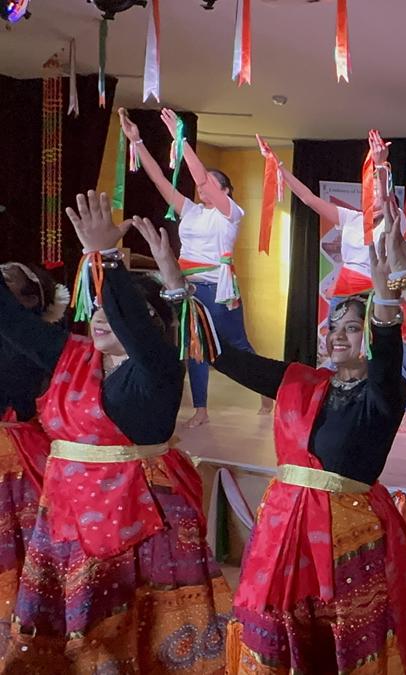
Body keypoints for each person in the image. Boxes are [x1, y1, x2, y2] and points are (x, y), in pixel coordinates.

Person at [200, 198, 406, 674]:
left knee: (344, 643)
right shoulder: (301, 383)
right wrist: (178, 295)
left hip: (349, 544)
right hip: (282, 535)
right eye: (333, 326)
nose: (338, 335)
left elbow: (386, 359)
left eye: (352, 328)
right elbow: (230, 359)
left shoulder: (383, 394)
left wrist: (386, 298)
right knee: (277, 633)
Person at [0, 191, 230, 672]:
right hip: (67, 517)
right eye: (98, 310)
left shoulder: (159, 368)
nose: (102, 317)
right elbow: (11, 320)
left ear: (152, 323)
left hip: (141, 520)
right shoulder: (72, 357)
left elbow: (133, 324)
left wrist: (105, 257)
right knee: (71, 639)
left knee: (132, 638)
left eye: (116, 310)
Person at [119, 107, 271, 428]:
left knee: (237, 344)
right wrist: (137, 142)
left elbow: (200, 176)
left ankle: (266, 389)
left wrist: (180, 138)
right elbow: (159, 180)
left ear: (225, 191)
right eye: (202, 186)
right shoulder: (191, 211)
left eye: (211, 184)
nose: (202, 188)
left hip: (218, 289)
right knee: (195, 347)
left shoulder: (231, 213)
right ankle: (201, 409)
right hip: (189, 288)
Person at [263, 131, 406, 421]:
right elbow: (308, 198)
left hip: (374, 292)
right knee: (337, 347)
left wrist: (379, 164)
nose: (375, 196)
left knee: (380, 350)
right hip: (344, 289)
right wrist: (279, 166)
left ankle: (405, 406)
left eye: (379, 192)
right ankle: (335, 401)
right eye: (371, 191)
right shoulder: (350, 219)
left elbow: (387, 197)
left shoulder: (393, 220)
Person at [0, 261, 63, 635]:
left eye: (9, 279)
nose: (4, 272)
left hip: (21, 451)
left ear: (30, 299)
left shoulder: (39, 343)